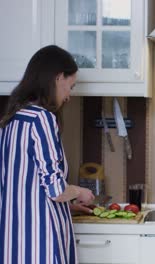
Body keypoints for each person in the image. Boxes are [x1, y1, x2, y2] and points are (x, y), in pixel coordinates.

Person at [0, 45, 95, 263]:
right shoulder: (41, 119)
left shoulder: (12, 118)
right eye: (70, 86)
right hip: (40, 242)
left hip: (14, 243)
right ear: (58, 77)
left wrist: (66, 205)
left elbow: (24, 187)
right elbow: (56, 188)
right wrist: (80, 192)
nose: (69, 96)